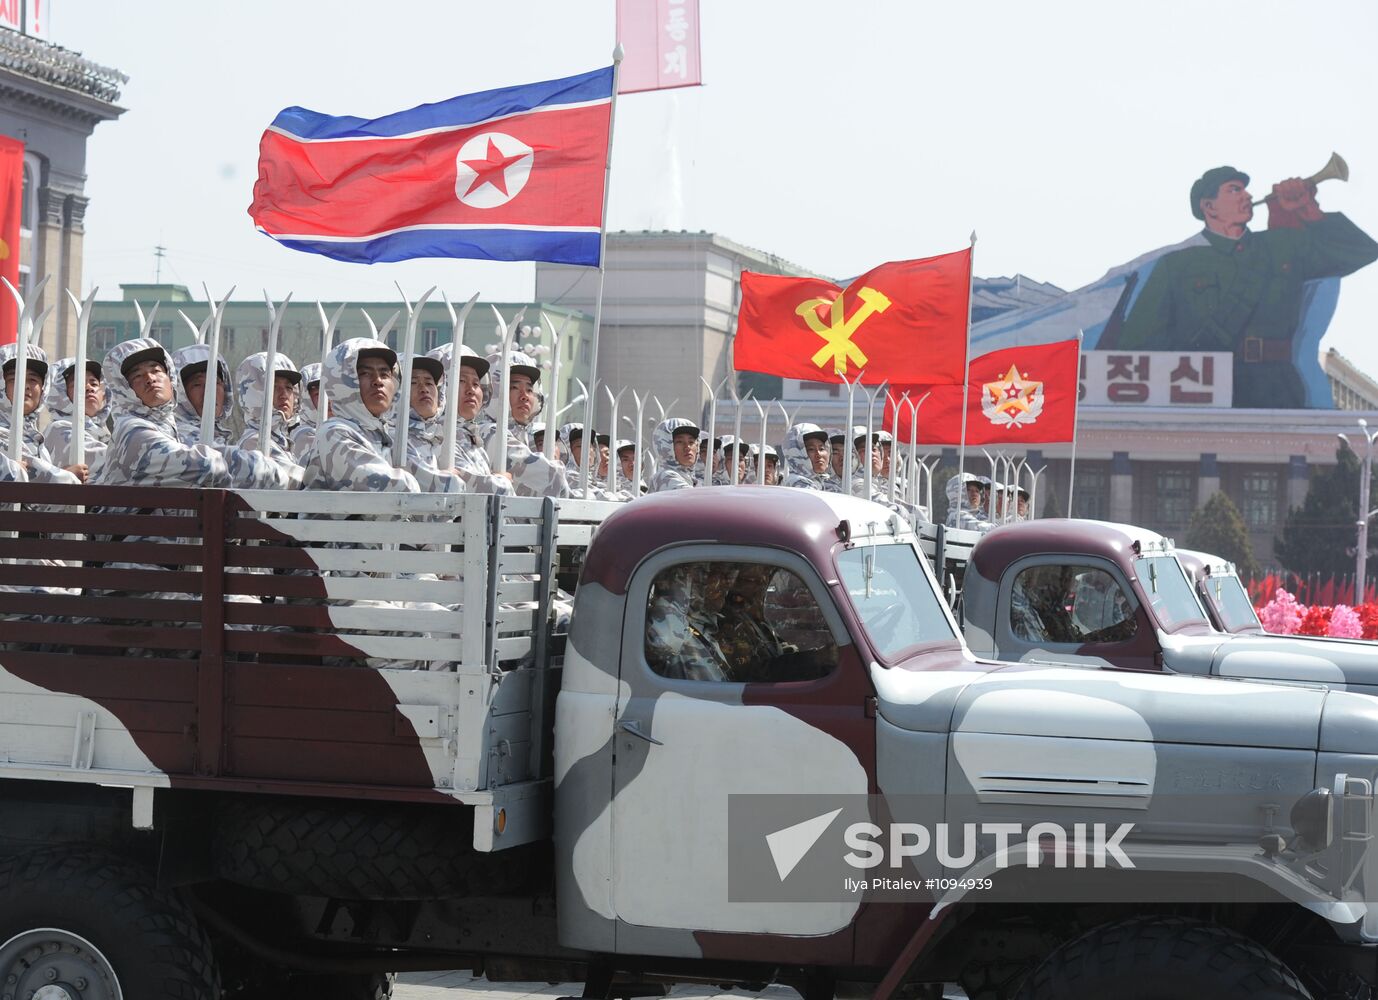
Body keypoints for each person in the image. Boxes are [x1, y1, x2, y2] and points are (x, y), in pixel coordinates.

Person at [1109, 165, 1378, 408]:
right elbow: (1139, 342)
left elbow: (1362, 251)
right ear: (1209, 206)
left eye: (1246, 190)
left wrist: (1309, 211)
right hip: (1203, 389)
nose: (1247, 196)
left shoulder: (1281, 245)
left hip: (1277, 387)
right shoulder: (1177, 264)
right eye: (1234, 190)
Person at [99, 339, 298, 491]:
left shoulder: (170, 431)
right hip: (143, 543)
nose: (150, 379)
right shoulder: (132, 430)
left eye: (157, 370)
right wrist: (268, 468)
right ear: (123, 389)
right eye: (137, 376)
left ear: (170, 378)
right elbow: (204, 465)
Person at [420, 343, 514, 495]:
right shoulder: (436, 436)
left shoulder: (472, 440)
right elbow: (472, 489)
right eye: (461, 381)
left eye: (476, 383)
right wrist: (502, 482)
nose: (471, 390)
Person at [481, 350, 568, 498]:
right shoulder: (491, 433)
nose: (525, 396)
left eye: (529, 389)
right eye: (514, 387)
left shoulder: (524, 436)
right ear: (493, 391)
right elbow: (555, 482)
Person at [1, 344, 81, 485]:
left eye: (33, 380)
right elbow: (33, 474)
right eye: (14, 378)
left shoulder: (36, 439)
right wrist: (69, 477)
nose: (25, 385)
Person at [42, 356, 110, 478]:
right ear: (60, 392)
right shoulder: (59, 429)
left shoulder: (102, 432)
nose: (89, 388)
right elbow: (114, 461)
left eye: (94, 383)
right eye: (78, 383)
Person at [235, 351, 302, 465]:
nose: (284, 394)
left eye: (289, 387)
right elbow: (294, 480)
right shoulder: (256, 443)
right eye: (274, 386)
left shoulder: (281, 441)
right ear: (254, 393)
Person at [170, 344, 234, 447]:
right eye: (197, 385)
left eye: (215, 383)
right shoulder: (181, 437)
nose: (208, 391)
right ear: (180, 392)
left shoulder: (215, 433)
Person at [781, 423, 839, 492]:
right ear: (796, 453)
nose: (818, 454)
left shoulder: (823, 482)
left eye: (821, 449)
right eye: (811, 449)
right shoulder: (800, 485)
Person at [649, 418, 700, 492]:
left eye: (691, 442)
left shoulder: (690, 478)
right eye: (680, 442)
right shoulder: (666, 476)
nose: (687, 447)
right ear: (665, 445)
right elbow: (695, 500)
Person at [290, 362, 324, 463]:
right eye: (318, 394)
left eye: (330, 392)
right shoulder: (305, 435)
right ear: (305, 398)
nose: (327, 400)